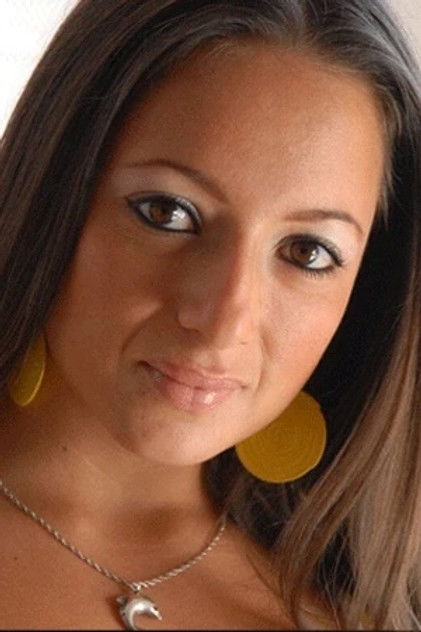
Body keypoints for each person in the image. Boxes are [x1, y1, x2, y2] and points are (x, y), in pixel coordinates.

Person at [0, 0, 420, 629]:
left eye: (307, 252)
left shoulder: (362, 610)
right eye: (168, 212)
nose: (223, 322)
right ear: (54, 189)